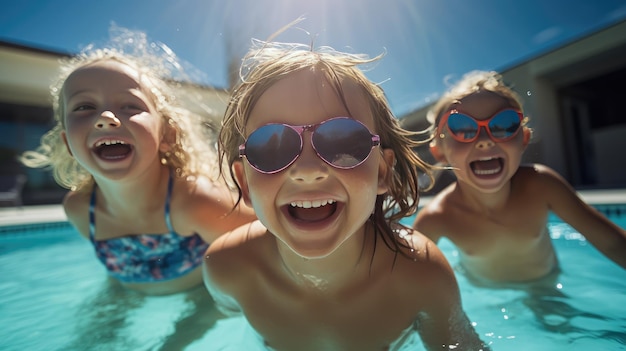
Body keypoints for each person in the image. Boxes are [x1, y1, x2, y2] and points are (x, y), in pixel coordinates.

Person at [203, 38, 490, 351]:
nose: (308, 169)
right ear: (245, 183)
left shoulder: (420, 274)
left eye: (343, 143)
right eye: (272, 146)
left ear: (382, 171)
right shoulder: (227, 268)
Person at [20, 28, 257, 296]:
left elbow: (266, 251)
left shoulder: (194, 201)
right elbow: (114, 277)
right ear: (68, 145)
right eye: (84, 107)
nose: (106, 117)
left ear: (166, 135)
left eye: (131, 106)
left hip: (201, 302)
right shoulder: (80, 210)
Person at [413, 70, 626, 286]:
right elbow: (412, 281)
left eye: (504, 124)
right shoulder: (436, 218)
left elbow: (613, 244)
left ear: (523, 139)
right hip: (487, 297)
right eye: (462, 128)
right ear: (439, 152)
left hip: (546, 287)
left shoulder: (541, 185)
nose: (485, 140)